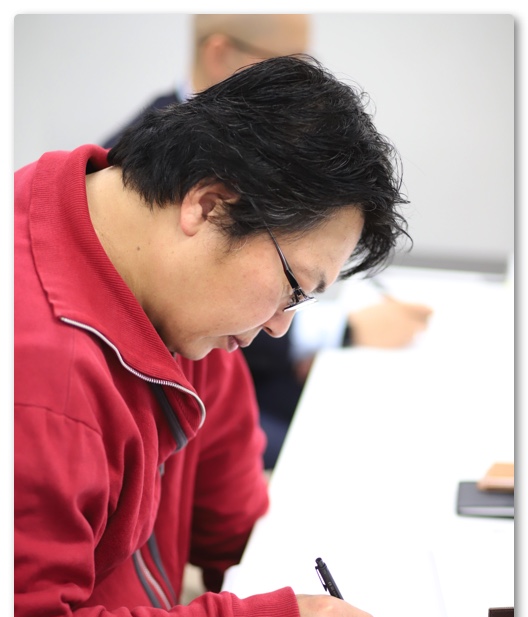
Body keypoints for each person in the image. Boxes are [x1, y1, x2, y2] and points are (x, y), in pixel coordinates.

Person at [15, 55, 409, 617]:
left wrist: (278, 575)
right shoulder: (39, 384)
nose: (281, 327)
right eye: (292, 288)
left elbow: (231, 518)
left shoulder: (164, 288)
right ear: (208, 204)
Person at [103, 13, 432, 468]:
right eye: (284, 64)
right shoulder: (139, 171)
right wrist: (343, 331)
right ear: (220, 54)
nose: (297, 88)